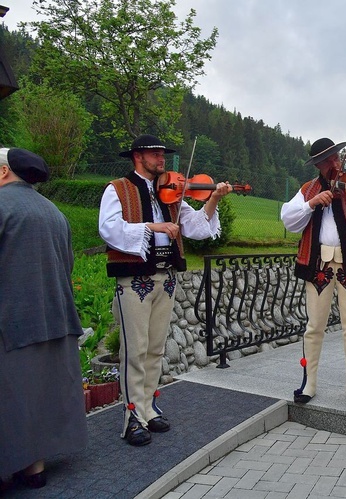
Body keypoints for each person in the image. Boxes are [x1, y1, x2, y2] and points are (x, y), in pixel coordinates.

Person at [99, 134, 232, 446]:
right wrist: (153, 227)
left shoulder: (170, 192)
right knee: (135, 348)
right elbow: (108, 228)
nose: (161, 159)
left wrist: (214, 198)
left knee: (156, 346)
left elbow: (197, 227)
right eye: (155, 154)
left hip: (167, 275)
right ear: (137, 156)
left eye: (162, 153)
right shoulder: (116, 189)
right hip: (134, 277)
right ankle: (132, 414)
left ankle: (148, 407)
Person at [0, 148, 88, 489]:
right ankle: (35, 468)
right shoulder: (54, 212)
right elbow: (66, 266)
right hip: (54, 317)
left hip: (11, 322)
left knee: (11, 396)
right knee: (38, 393)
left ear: (5, 172)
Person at [281, 137, 346, 404]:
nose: (336, 162)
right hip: (319, 263)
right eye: (329, 159)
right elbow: (289, 219)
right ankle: (309, 382)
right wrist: (311, 204)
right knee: (314, 325)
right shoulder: (309, 188)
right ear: (319, 165)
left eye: (337, 157)